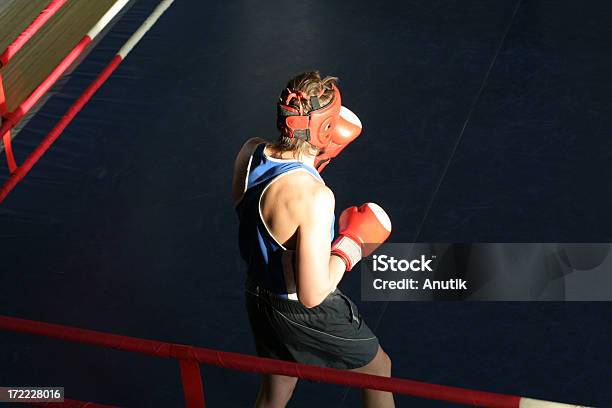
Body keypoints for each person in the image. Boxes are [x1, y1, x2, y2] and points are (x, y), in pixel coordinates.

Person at [233, 71, 394, 408]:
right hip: (297, 309)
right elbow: (313, 293)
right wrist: (352, 243)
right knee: (379, 370)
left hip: (257, 292)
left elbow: (263, 212)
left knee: (277, 389)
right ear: (324, 129)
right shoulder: (316, 198)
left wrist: (313, 162)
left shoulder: (249, 152)